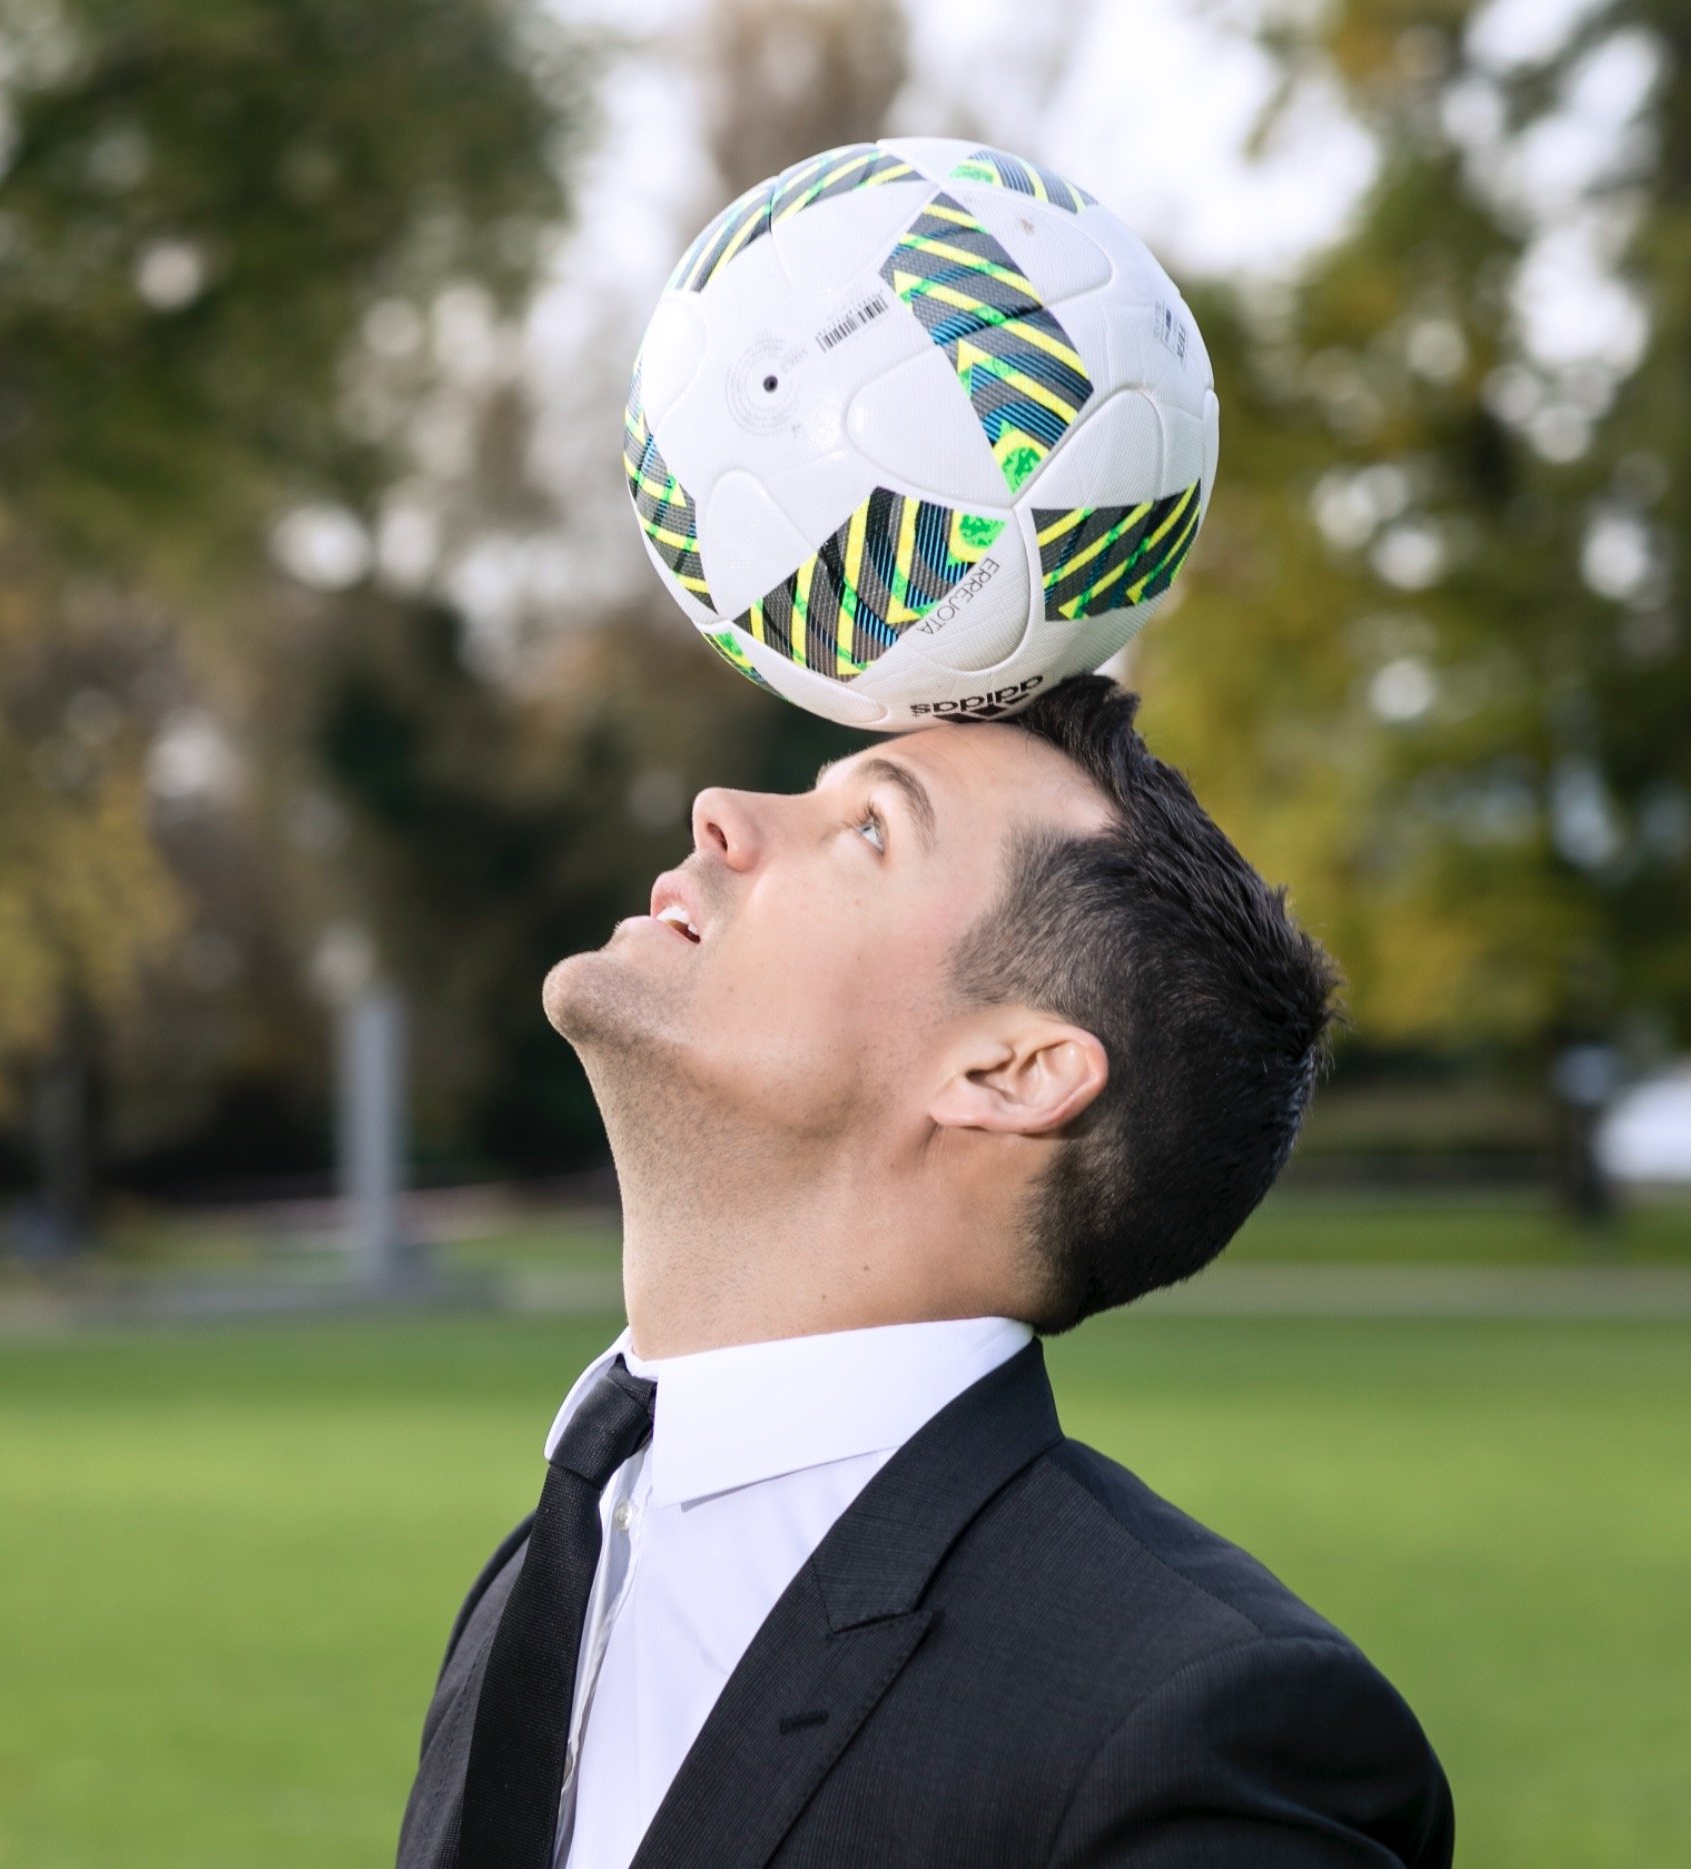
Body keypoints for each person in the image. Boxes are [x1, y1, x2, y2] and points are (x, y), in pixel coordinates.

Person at [396, 676, 1454, 1869]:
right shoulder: (541, 1581)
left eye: (868, 828)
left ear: (1010, 1072)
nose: (719, 811)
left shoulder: (1196, 1735)